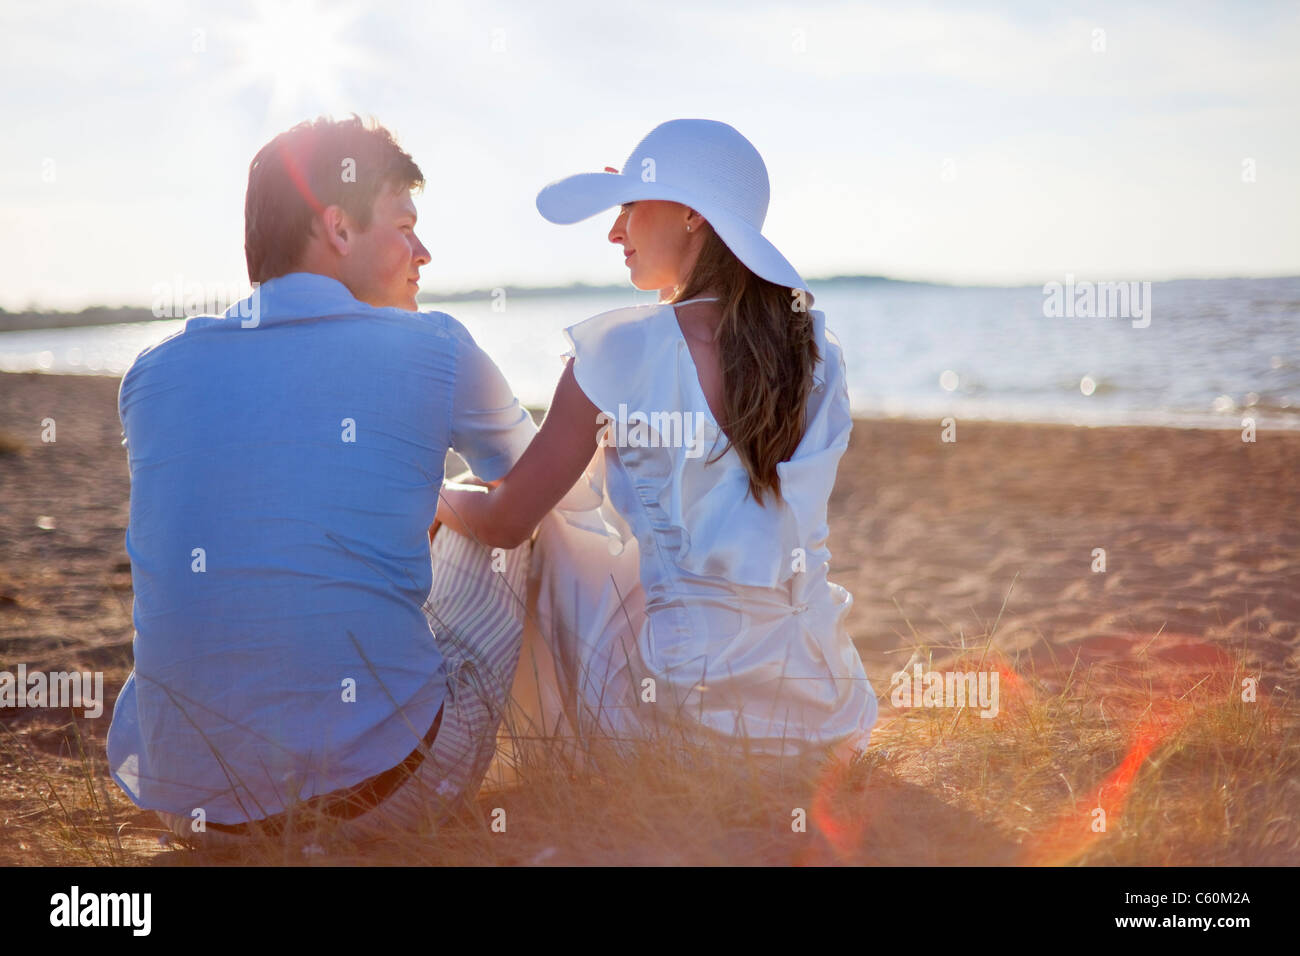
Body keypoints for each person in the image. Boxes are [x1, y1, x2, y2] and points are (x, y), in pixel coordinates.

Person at [106, 115, 538, 849]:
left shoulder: (151, 373)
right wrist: (442, 503)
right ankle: (605, 743)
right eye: (404, 225)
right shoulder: (433, 348)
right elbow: (544, 493)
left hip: (191, 810)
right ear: (338, 226)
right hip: (386, 795)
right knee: (518, 536)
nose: (423, 251)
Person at [436, 119, 878, 772]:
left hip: (679, 724)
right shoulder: (816, 352)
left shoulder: (620, 347)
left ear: (693, 216)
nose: (614, 233)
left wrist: (439, 497)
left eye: (629, 208)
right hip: (822, 717)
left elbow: (505, 525)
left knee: (549, 525)